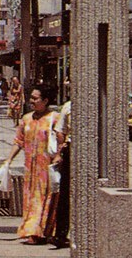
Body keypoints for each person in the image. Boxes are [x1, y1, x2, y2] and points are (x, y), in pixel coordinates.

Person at [3, 84, 59, 245]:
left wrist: (58, 157)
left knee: (46, 198)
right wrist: (9, 159)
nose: (31, 101)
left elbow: (62, 139)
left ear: (46, 100)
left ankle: (42, 232)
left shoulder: (54, 118)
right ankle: (32, 231)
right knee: (31, 198)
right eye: (31, 98)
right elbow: (19, 141)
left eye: (36, 98)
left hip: (47, 167)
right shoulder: (26, 119)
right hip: (30, 168)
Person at [49, 79, 72, 249]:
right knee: (65, 194)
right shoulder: (69, 107)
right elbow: (59, 132)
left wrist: (59, 151)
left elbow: (59, 132)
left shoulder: (68, 106)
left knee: (65, 194)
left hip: (72, 149)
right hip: (74, 150)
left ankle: (62, 233)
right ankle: (62, 233)